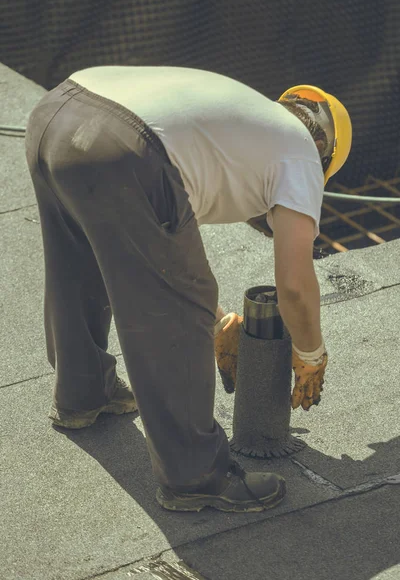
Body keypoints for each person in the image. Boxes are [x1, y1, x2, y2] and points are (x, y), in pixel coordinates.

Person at [24, 66, 352, 513]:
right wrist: (312, 354)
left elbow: (151, 254)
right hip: (125, 146)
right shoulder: (301, 157)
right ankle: (197, 475)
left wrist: (218, 321)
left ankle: (83, 393)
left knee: (77, 260)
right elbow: (294, 286)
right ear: (325, 152)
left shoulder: (243, 125)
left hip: (56, 114)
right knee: (179, 307)